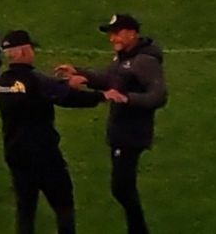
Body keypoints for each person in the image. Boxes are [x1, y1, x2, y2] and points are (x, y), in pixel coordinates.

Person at [57, 14, 168, 234]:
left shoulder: (144, 62)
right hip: (121, 131)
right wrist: (81, 74)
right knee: (122, 188)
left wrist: (127, 99)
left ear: (132, 33)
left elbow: (159, 95)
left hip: (132, 133)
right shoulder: (124, 57)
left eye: (116, 33)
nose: (112, 38)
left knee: (121, 188)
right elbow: (109, 79)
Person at [0, 28, 101, 234]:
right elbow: (68, 98)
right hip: (44, 154)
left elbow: (42, 87)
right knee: (63, 205)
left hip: (16, 152)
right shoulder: (35, 81)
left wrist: (64, 83)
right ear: (24, 51)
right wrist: (102, 96)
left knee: (25, 209)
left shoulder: (4, 82)